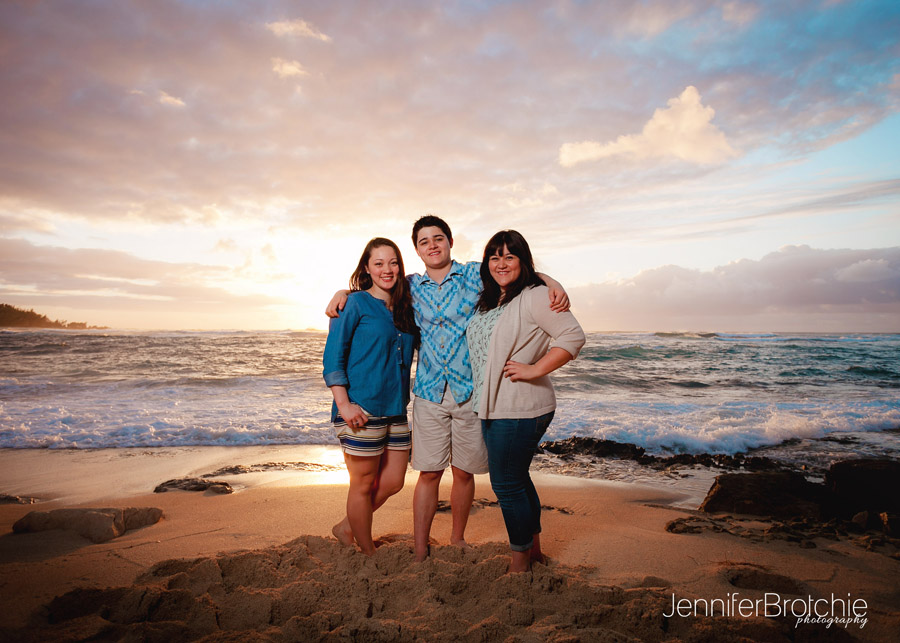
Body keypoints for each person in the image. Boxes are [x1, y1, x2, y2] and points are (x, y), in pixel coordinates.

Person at [327, 216, 569, 562]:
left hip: (470, 390)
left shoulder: (474, 273)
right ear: (417, 249)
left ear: (450, 241)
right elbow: (374, 292)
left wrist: (553, 283)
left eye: (438, 238)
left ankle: (457, 538)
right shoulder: (409, 285)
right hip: (427, 392)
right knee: (428, 473)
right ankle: (422, 550)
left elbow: (515, 270)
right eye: (424, 242)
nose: (433, 246)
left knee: (464, 472)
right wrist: (343, 293)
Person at [466, 230, 585, 573]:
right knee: (516, 478)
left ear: (523, 261)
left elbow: (573, 336)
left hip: (519, 407)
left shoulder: (533, 296)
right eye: (494, 257)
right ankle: (534, 553)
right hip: (498, 405)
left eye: (510, 257)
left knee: (505, 484)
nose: (501, 264)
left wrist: (535, 369)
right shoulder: (494, 299)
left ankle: (519, 565)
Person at [322, 238, 418, 556]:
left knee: (392, 482)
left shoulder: (405, 307)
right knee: (362, 484)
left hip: (396, 408)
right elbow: (333, 358)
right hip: (360, 408)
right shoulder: (353, 304)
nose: (386, 269)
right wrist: (344, 404)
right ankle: (366, 550)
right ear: (367, 267)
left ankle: (347, 526)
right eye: (378, 263)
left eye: (393, 263)